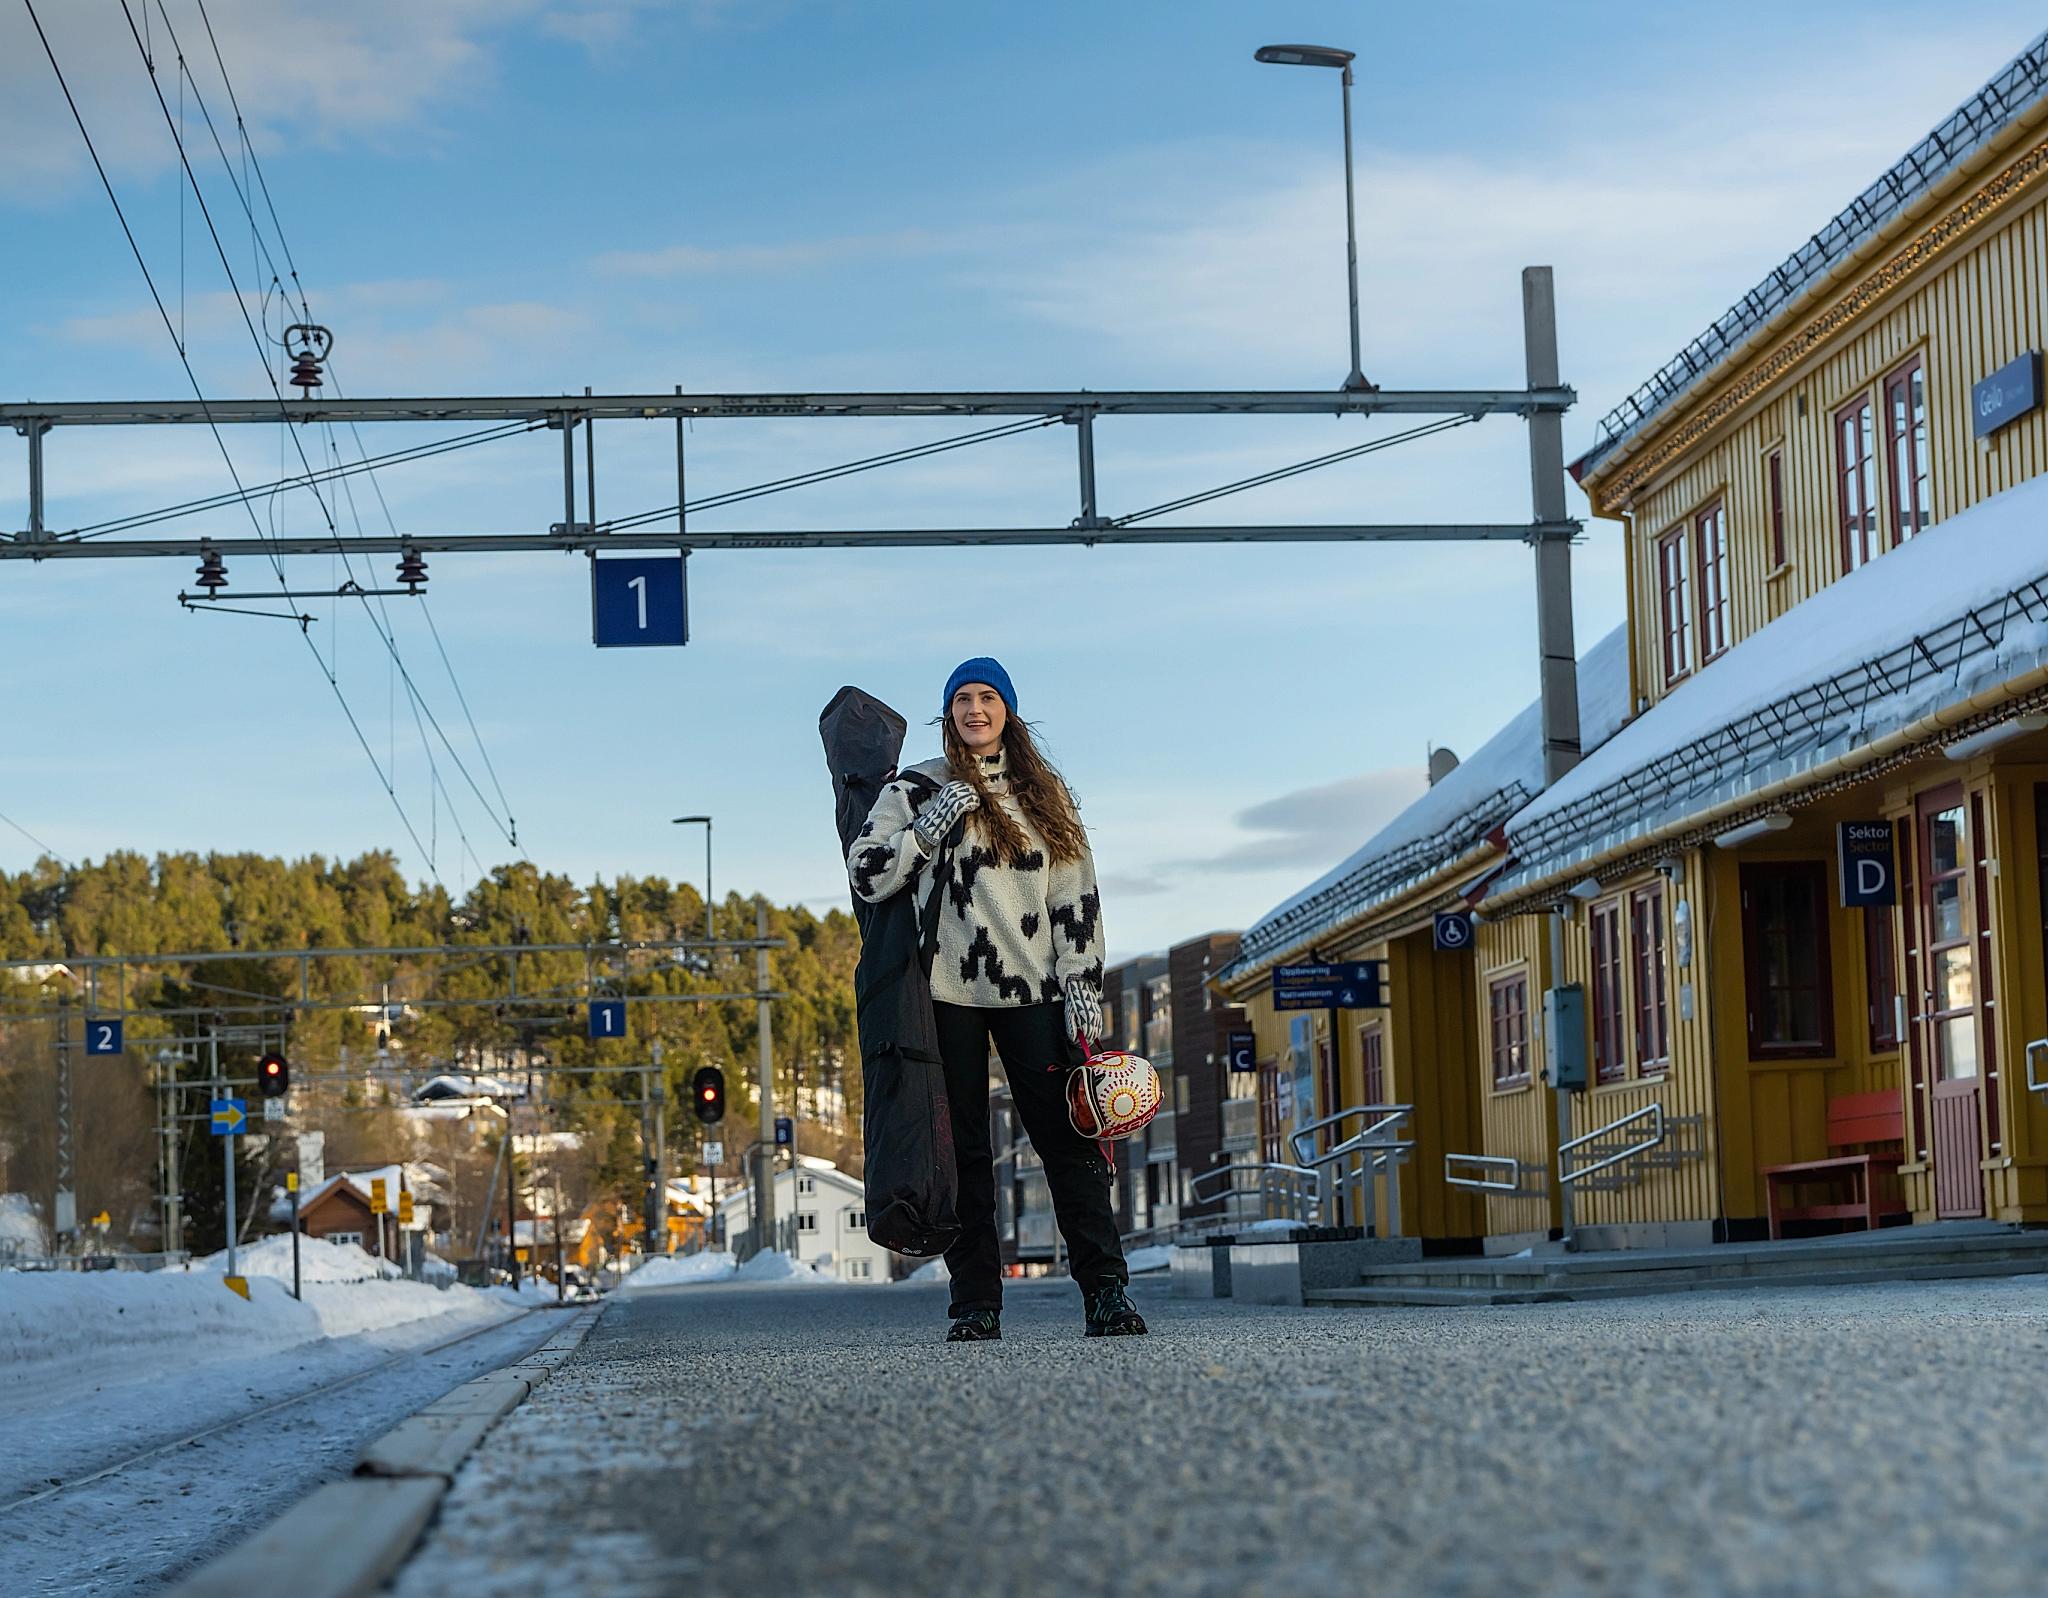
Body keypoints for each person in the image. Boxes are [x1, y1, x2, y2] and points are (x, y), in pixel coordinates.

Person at [848, 657, 1145, 1341]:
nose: (974, 710)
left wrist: (1082, 980)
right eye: (961, 699)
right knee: (966, 1157)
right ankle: (975, 1303)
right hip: (944, 998)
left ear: (1008, 710)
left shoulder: (1044, 793)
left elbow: (1075, 894)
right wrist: (924, 835)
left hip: (1034, 992)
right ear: (948, 711)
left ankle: (1107, 1293)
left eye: (987, 698)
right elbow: (867, 874)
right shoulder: (919, 785)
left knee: (1069, 1146)